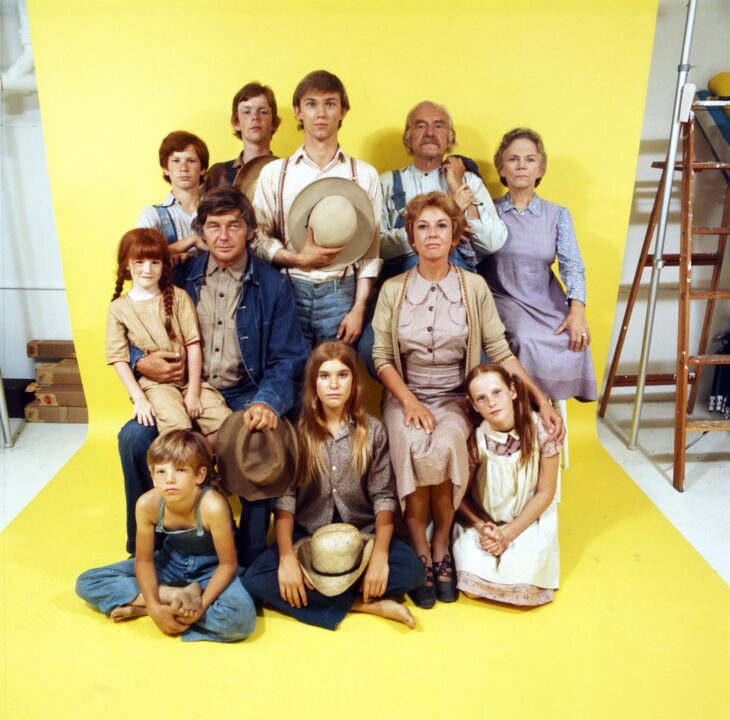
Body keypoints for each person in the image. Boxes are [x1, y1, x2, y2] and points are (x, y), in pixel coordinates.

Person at [371, 191, 563, 609]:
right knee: (410, 442)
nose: (432, 234)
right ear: (412, 237)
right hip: (406, 394)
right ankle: (420, 545)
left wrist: (541, 399)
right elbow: (382, 358)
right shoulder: (393, 289)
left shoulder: (473, 286)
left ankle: (442, 543)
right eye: (423, 227)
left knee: (444, 443)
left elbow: (500, 349)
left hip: (455, 396)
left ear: (456, 234)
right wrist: (409, 403)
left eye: (441, 225)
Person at [118, 186, 308, 567]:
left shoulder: (274, 285)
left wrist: (266, 402)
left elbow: (288, 358)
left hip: (243, 392)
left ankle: (249, 553)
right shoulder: (179, 278)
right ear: (201, 233)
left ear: (250, 231)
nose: (223, 236)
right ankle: (149, 544)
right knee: (134, 437)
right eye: (213, 226)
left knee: (262, 438)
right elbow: (127, 321)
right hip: (181, 388)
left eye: (234, 226)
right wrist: (140, 361)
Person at [243, 342, 425, 630]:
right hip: (308, 538)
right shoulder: (296, 432)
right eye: (324, 376)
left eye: (342, 375)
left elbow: (384, 497)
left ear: (354, 382)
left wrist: (378, 556)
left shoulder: (373, 430)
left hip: (362, 535)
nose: (334, 385)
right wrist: (288, 558)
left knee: (413, 572)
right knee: (255, 580)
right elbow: (286, 501)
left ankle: (334, 599)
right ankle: (364, 604)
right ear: (313, 383)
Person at [76, 429, 256, 642]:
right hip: (171, 562)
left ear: (199, 475)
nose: (169, 480)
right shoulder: (147, 504)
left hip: (212, 569)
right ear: (152, 477)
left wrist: (202, 605)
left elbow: (227, 565)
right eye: (161, 472)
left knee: (241, 621)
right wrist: (153, 606)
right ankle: (175, 597)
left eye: (180, 470)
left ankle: (144, 607)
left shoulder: (212, 505)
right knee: (87, 582)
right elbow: (143, 561)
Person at [252, 69, 382, 349]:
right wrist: (296, 259)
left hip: (341, 293)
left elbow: (371, 249)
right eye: (311, 104)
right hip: (287, 289)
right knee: (291, 382)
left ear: (343, 111)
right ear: (298, 112)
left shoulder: (364, 174)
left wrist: (359, 308)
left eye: (330, 103)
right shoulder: (276, 173)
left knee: (336, 386)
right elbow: (257, 237)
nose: (320, 113)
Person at [479, 128, 597, 401]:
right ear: (501, 167)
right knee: (524, 339)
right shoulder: (489, 212)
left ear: (541, 169)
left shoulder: (558, 214)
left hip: (544, 298)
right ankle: (527, 407)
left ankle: (550, 416)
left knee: (574, 338)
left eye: (530, 159)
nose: (521, 165)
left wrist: (577, 312)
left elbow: (573, 266)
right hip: (502, 297)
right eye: (513, 159)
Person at [107, 228, 230, 445]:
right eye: (140, 262)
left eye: (155, 262)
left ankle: (203, 473)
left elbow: (193, 345)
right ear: (127, 264)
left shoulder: (179, 297)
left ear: (164, 264)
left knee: (225, 423)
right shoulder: (118, 309)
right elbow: (119, 359)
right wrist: (139, 399)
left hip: (189, 380)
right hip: (156, 386)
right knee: (178, 431)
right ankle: (183, 470)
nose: (148, 269)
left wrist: (192, 392)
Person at [453, 364, 560, 606]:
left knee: (525, 583)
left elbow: (545, 492)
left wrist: (509, 533)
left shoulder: (542, 430)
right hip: (485, 521)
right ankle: (486, 544)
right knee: (472, 588)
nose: (491, 402)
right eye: (482, 398)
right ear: (474, 405)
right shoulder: (475, 438)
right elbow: (459, 496)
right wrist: (483, 527)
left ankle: (515, 548)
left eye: (497, 392)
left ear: (512, 391)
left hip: (529, 519)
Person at [380, 101, 507, 276]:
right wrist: (450, 221)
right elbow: (376, 248)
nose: (430, 133)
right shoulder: (385, 183)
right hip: (404, 292)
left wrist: (456, 183)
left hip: (458, 292)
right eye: (421, 126)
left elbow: (492, 242)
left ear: (450, 138)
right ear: (408, 137)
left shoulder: (468, 181)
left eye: (438, 126)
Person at [138, 130, 210, 264]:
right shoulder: (152, 215)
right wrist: (191, 241)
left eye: (191, 161)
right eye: (176, 161)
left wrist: (190, 256)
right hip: (169, 285)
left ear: (203, 168)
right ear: (165, 168)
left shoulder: (218, 211)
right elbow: (141, 259)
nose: (183, 168)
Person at [202, 82, 281, 193]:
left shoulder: (286, 172)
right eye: (247, 112)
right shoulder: (218, 174)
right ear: (236, 123)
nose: (255, 117)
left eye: (263, 112)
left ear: (274, 123)